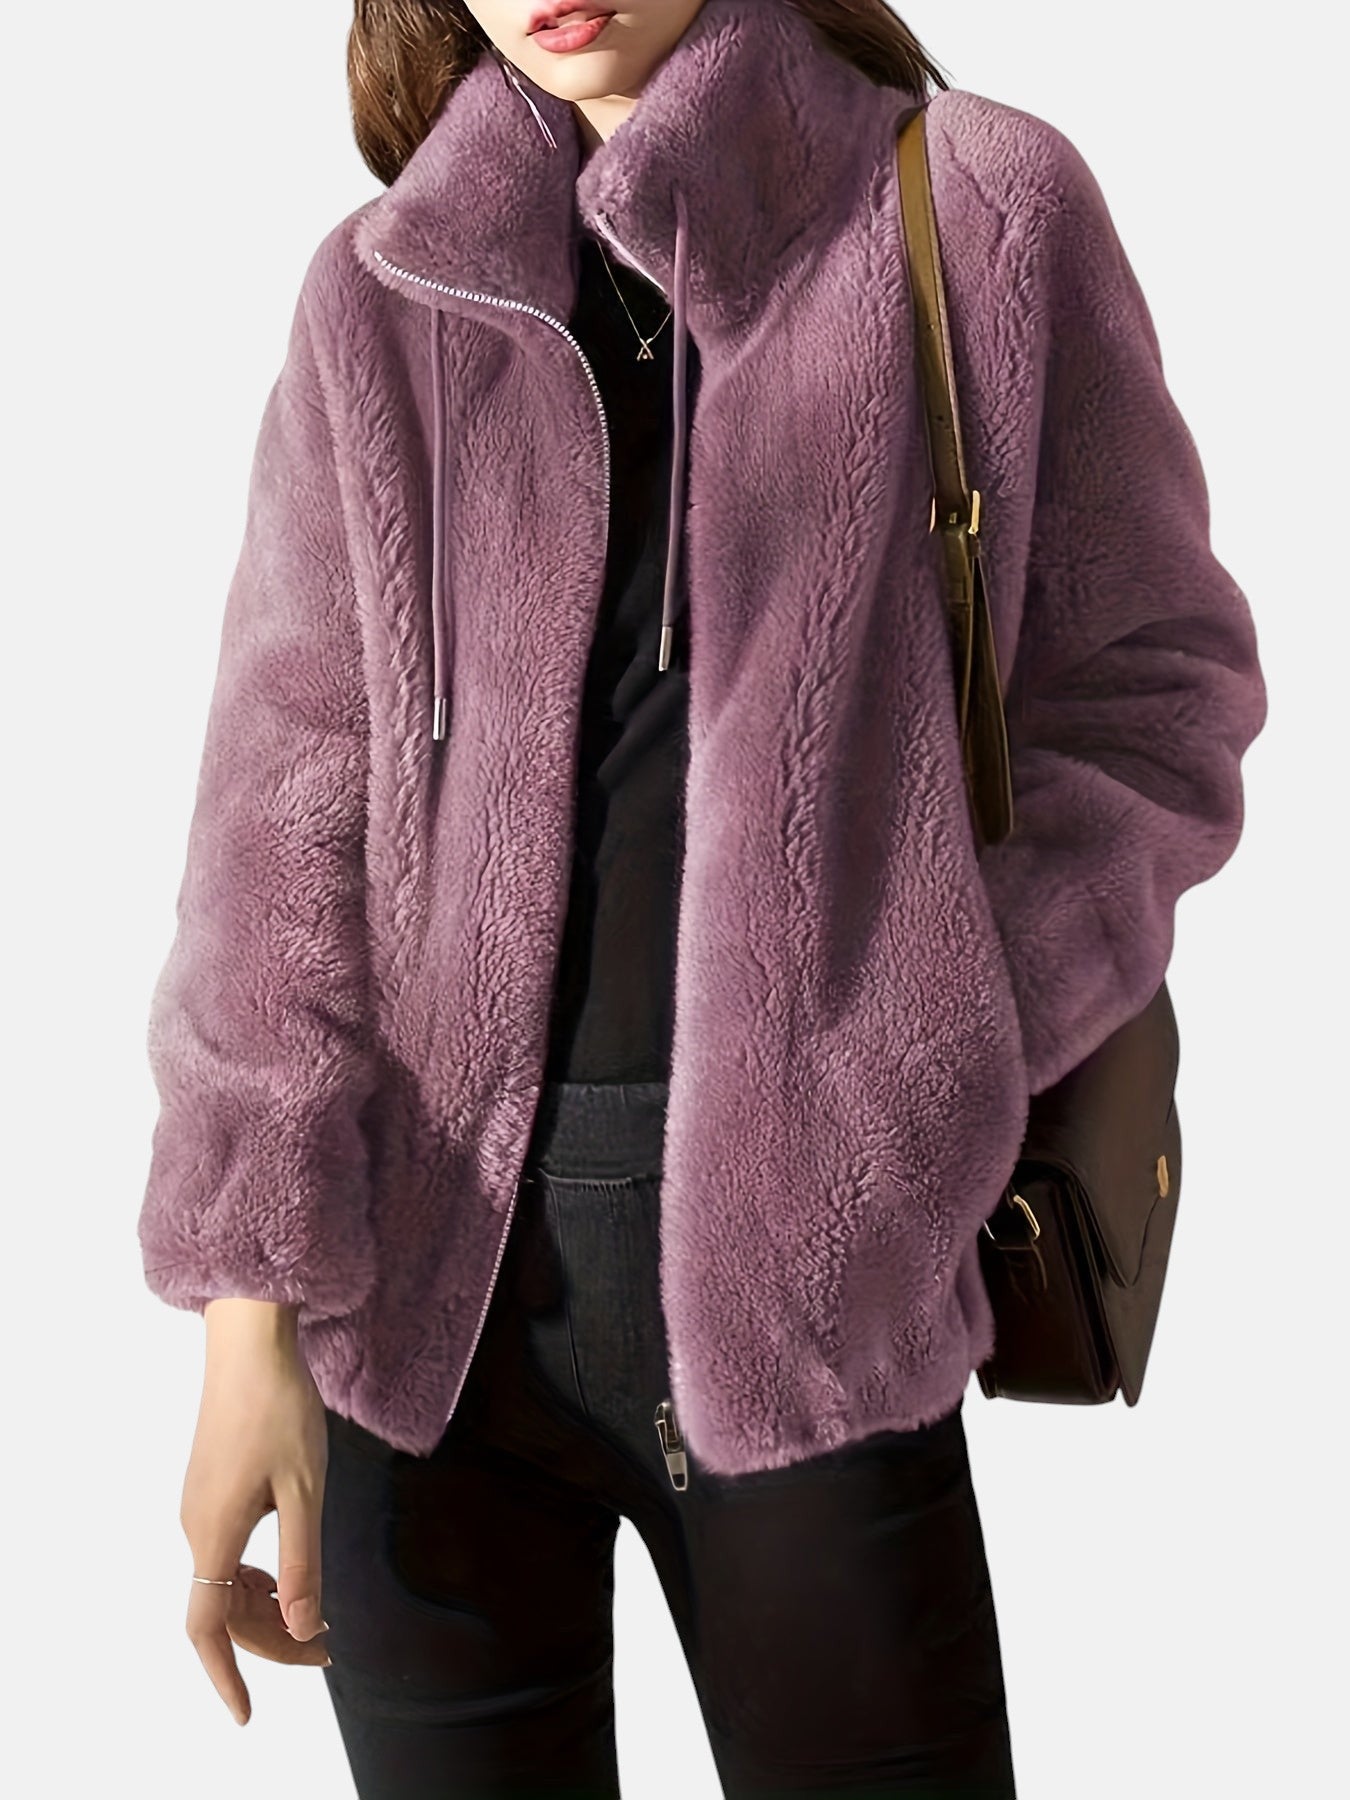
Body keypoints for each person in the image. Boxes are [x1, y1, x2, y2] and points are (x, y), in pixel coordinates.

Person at [136, 1, 1268, 1793]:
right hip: (424, 1326)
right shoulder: (383, 291)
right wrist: (245, 1320)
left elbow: (1151, 697)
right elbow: (278, 826)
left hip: (809, 1283)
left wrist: (924, 1042)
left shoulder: (974, 205)